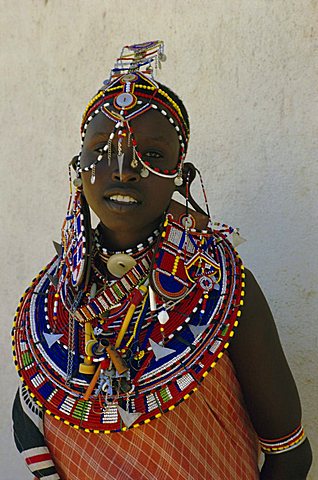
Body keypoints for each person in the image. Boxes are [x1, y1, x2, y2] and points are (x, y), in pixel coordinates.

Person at [12, 41, 312, 480]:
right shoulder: (52, 304)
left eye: (151, 155)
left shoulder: (220, 290)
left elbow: (290, 456)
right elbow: (33, 431)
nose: (124, 169)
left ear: (180, 175)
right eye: (102, 150)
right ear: (77, 169)